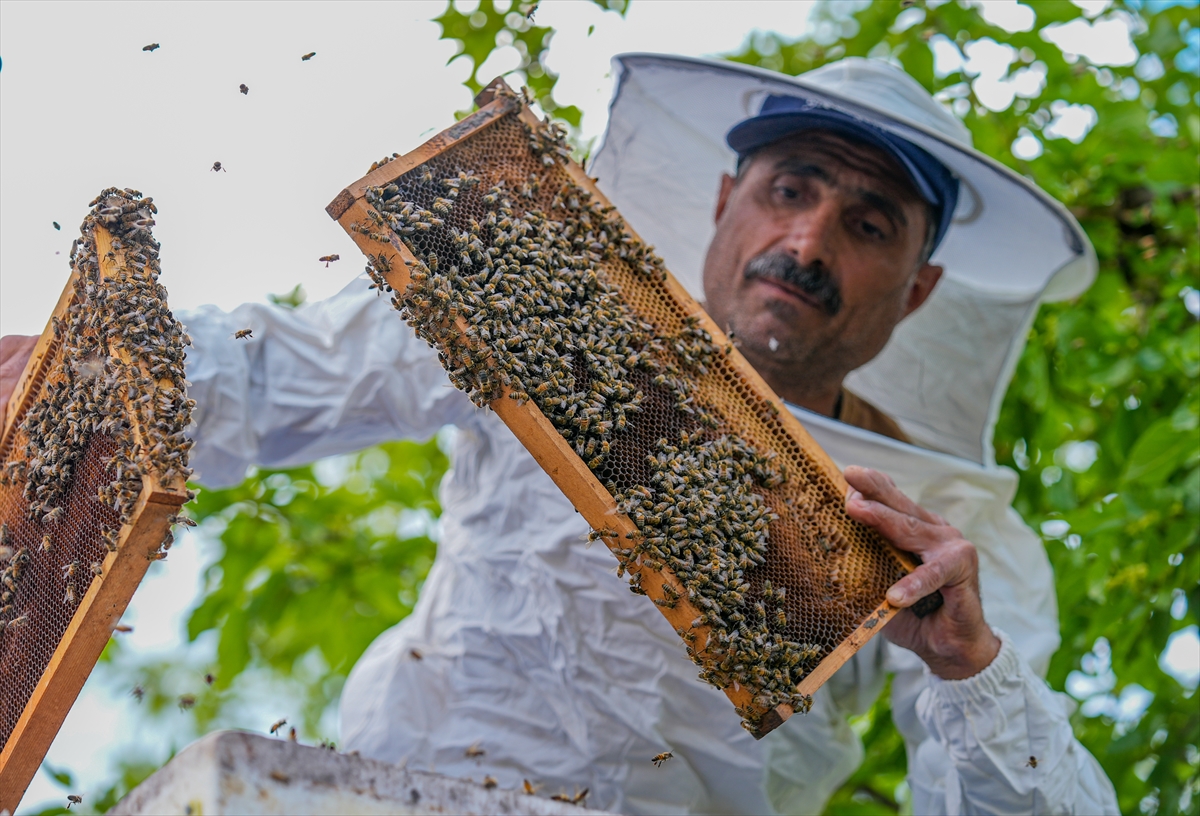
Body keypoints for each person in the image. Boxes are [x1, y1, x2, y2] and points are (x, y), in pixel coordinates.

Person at [0, 58, 1118, 815]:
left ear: (917, 291)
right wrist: (78, 374)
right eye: (790, 190)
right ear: (727, 198)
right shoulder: (546, 313)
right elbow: (275, 373)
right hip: (398, 792)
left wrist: (972, 667)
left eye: (866, 225)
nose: (808, 240)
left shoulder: (961, 534)